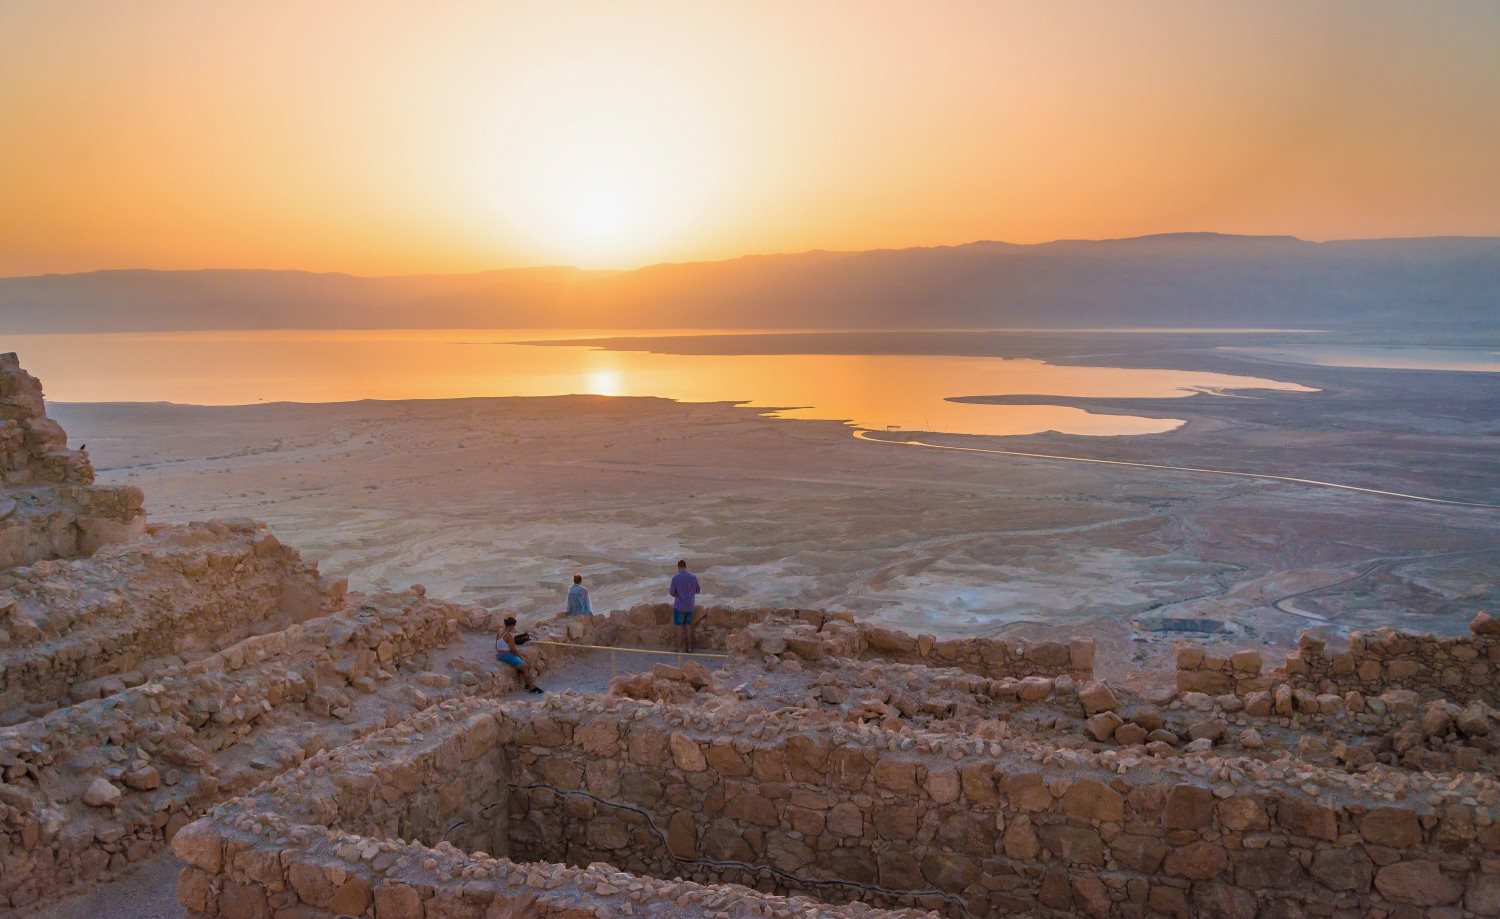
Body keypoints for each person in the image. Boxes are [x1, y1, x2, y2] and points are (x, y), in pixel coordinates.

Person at [496, 616, 542, 693]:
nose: (513, 629)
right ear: (511, 626)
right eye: (513, 627)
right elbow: (513, 649)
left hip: (499, 654)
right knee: (526, 666)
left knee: (523, 664)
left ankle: (528, 683)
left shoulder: (499, 631)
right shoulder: (508, 635)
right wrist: (521, 657)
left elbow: (496, 645)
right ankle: (532, 687)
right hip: (505, 656)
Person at [668, 559, 702, 653]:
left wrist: (678, 594)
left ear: (678, 567)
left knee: (679, 626)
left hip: (679, 606)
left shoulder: (675, 578)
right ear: (686, 567)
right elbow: (698, 590)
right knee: (688, 626)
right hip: (690, 606)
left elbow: (672, 592)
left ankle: (679, 648)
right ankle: (690, 648)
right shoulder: (693, 577)